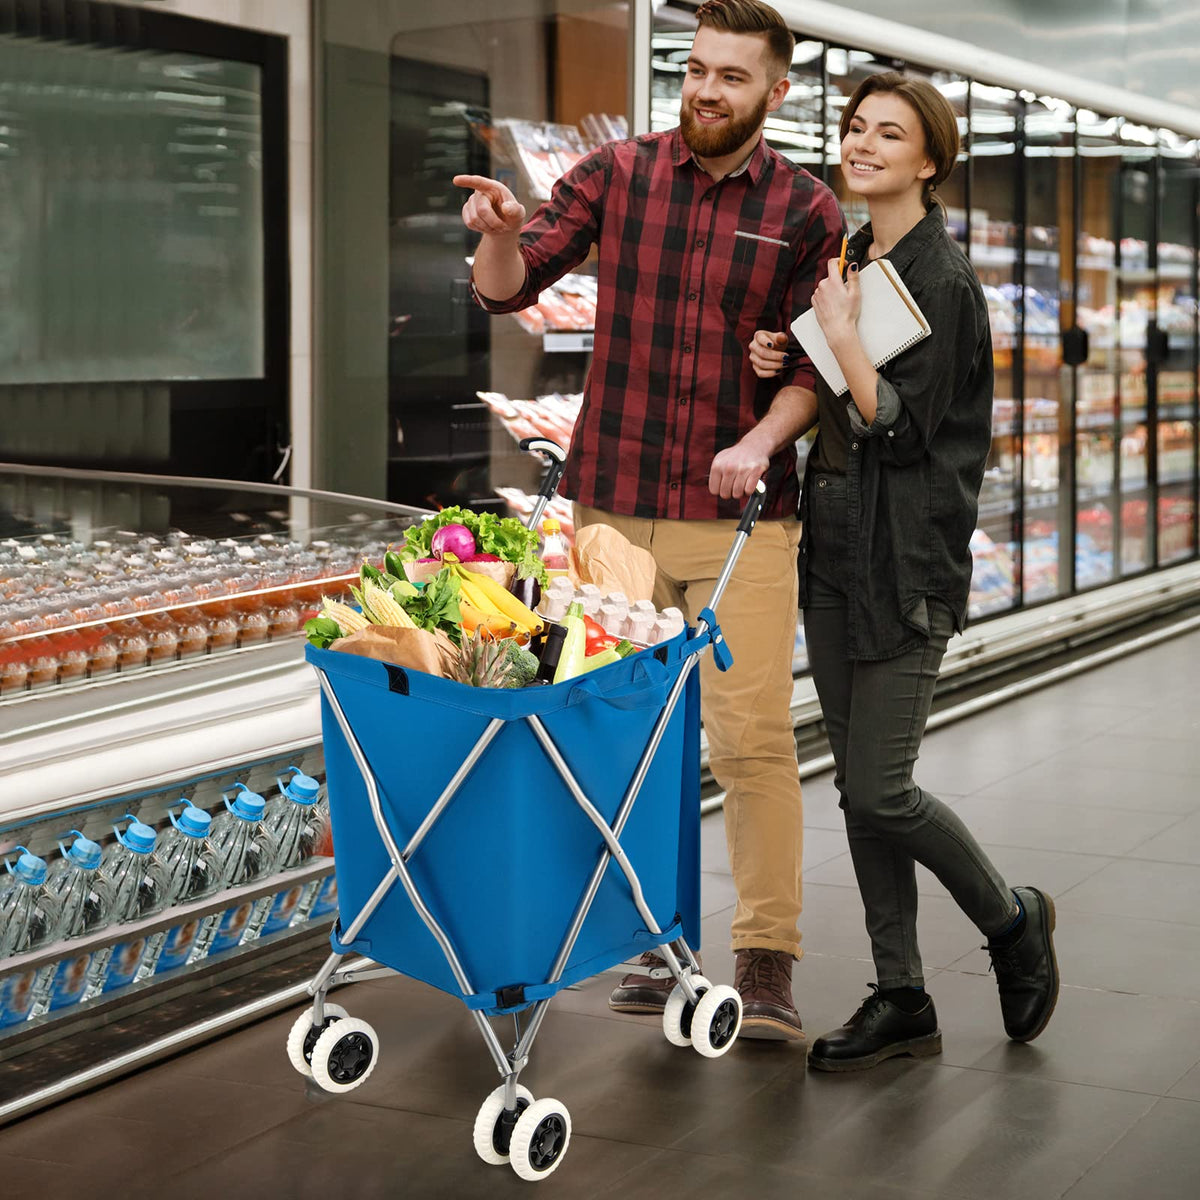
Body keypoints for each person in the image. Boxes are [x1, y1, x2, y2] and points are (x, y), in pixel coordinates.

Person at [455, 0, 844, 1041]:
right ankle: (649, 939)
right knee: (624, 736)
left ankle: (766, 963)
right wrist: (496, 240)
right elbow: (512, 280)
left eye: (731, 76)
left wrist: (762, 440)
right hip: (613, 508)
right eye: (698, 70)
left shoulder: (808, 211)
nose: (707, 90)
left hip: (741, 517)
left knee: (751, 739)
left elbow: (816, 368)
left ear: (776, 91)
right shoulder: (616, 176)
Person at [748, 72, 1059, 1070]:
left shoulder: (945, 279)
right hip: (834, 546)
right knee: (855, 788)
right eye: (853, 129)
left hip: (905, 555)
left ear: (930, 159)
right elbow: (840, 399)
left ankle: (1012, 920)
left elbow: (898, 422)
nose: (864, 144)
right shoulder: (851, 254)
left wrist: (837, 340)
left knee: (881, 790)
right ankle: (901, 994)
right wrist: (788, 358)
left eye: (891, 133)